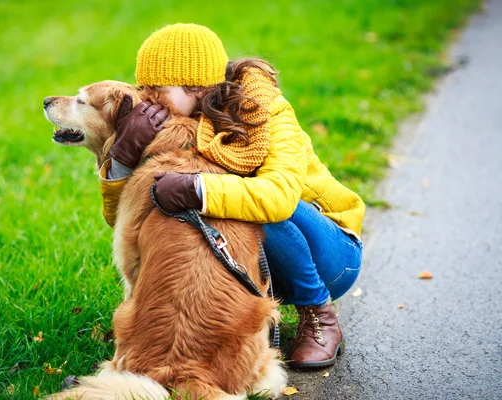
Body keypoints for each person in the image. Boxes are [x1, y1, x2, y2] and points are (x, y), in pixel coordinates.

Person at [99, 23, 365, 368]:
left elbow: (278, 198)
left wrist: (197, 188)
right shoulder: (176, 126)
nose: (147, 99)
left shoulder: (267, 109)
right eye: (142, 88)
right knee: (181, 207)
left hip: (329, 255)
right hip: (252, 265)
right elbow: (126, 225)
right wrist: (123, 160)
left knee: (252, 207)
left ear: (194, 86)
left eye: (156, 88)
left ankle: (320, 317)